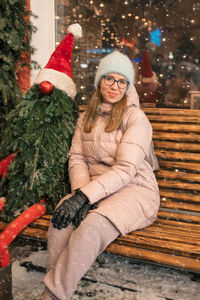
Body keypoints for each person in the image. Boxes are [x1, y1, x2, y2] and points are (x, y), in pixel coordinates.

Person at [41, 50, 160, 300]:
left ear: (127, 86)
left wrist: (85, 197)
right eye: (109, 78)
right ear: (99, 81)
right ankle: (56, 288)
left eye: (122, 81)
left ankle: (52, 296)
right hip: (97, 189)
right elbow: (77, 158)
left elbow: (127, 169)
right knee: (62, 217)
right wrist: (82, 193)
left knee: (92, 225)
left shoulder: (135, 118)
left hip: (136, 190)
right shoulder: (86, 117)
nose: (115, 86)